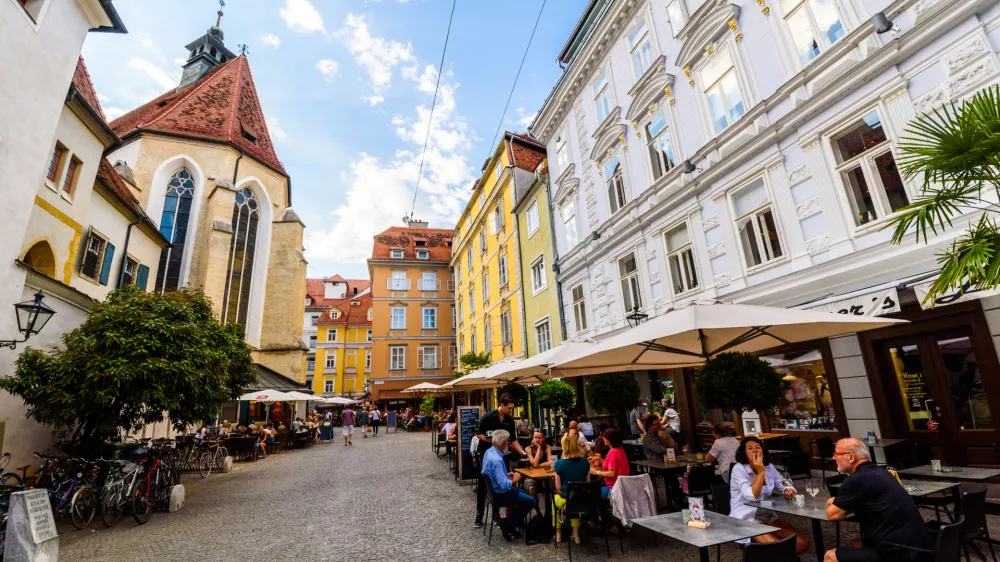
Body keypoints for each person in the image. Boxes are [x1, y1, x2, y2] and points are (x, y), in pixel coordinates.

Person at [823, 438, 931, 562]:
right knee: (857, 543)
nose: (833, 457)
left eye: (836, 454)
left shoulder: (856, 479)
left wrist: (835, 503)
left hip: (898, 552)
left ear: (851, 457)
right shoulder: (882, 472)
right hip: (919, 545)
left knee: (830, 556)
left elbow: (833, 515)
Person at [730, 436, 810, 555]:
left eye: (758, 447)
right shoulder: (739, 469)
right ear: (743, 453)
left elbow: (783, 482)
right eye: (750, 448)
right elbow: (752, 496)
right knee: (779, 550)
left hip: (767, 515)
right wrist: (761, 472)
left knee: (802, 542)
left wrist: (788, 490)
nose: (755, 450)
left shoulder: (769, 467)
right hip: (747, 519)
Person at [473, 394, 525, 529]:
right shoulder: (488, 417)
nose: (510, 411)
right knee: (483, 484)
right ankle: (479, 515)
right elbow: (478, 433)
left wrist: (522, 452)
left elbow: (513, 439)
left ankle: (496, 516)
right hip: (486, 452)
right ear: (501, 405)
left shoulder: (509, 420)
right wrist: (489, 440)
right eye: (509, 408)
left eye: (512, 408)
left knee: (501, 485)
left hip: (502, 454)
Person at [481, 429, 536, 541]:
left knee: (525, 494)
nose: (509, 444)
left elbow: (493, 474)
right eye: (507, 441)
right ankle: (507, 523)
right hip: (502, 495)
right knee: (531, 501)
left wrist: (506, 474)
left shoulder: (489, 452)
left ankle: (513, 523)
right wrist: (514, 479)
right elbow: (505, 486)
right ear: (503, 444)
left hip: (492, 493)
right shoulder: (497, 460)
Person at [553, 431, 591, 544]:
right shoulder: (585, 463)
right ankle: (575, 533)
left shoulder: (559, 464)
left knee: (556, 500)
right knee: (575, 499)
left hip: (566, 500)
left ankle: (558, 533)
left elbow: (558, 487)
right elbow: (587, 483)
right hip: (582, 500)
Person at [589, 428, 629, 500]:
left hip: (613, 488)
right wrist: (600, 460)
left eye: (605, 437)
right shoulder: (620, 450)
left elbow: (612, 473)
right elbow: (614, 464)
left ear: (610, 440)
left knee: (590, 494)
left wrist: (596, 472)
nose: (603, 438)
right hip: (622, 486)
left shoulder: (612, 452)